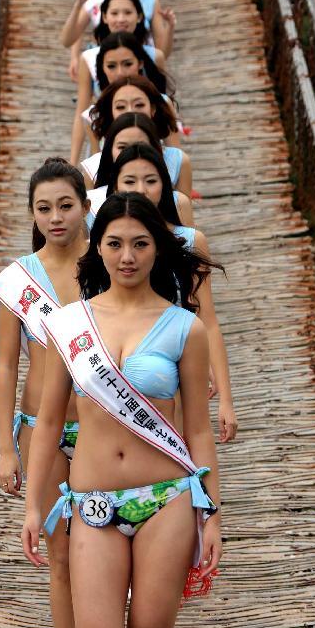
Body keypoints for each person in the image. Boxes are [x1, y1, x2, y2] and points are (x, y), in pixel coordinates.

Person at [22, 192, 223, 628]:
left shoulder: (184, 328)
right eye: (115, 243)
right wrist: (33, 504)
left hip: (166, 498)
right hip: (93, 504)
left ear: (158, 248)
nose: (127, 255)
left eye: (140, 243)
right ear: (97, 248)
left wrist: (211, 514)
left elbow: (198, 432)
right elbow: (48, 423)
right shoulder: (69, 326)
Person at [0, 159, 92, 628]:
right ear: (31, 213)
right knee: (62, 557)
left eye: (65, 205)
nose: (55, 217)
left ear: (85, 206)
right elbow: (6, 366)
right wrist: (6, 447)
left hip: (103, 426)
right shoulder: (18, 280)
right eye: (44, 208)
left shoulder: (110, 263)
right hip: (38, 429)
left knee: (106, 552)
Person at [108, 143, 238, 441]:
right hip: (121, 373)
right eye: (130, 181)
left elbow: (208, 318)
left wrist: (226, 399)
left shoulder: (190, 241)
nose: (141, 190)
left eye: (151, 181)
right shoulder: (107, 246)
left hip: (177, 366)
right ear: (115, 187)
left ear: (165, 185)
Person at [71, 28, 168, 166]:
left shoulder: (162, 104)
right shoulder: (93, 116)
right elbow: (96, 167)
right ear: (102, 67)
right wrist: (72, 163)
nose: (120, 73)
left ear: (140, 63)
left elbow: (175, 159)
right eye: (111, 66)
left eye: (127, 64)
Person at [80, 110, 192, 195]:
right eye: (122, 147)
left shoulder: (179, 201)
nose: (131, 152)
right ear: (109, 149)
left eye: (140, 145)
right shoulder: (92, 178)